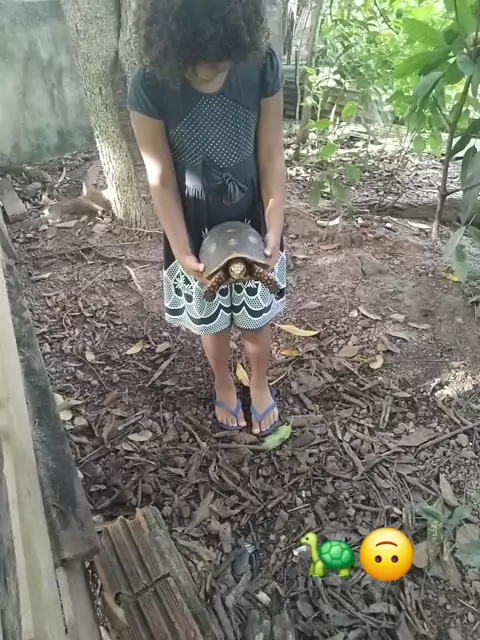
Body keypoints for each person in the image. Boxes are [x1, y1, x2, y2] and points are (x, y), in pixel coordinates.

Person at [127, 0, 286, 436]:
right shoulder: (149, 84)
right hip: (192, 225)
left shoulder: (261, 65)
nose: (213, 74)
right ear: (175, 46)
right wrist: (181, 250)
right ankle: (222, 382)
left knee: (256, 316)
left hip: (253, 217)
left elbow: (271, 154)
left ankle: (259, 382)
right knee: (211, 317)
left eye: (222, 63)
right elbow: (160, 177)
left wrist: (274, 224)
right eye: (201, 66)